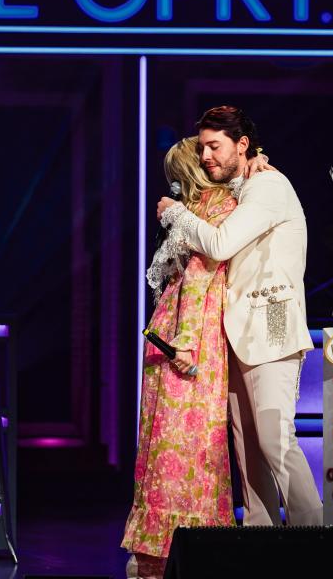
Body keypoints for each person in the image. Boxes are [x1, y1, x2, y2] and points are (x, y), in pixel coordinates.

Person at [157, 106, 323, 528]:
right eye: (203, 148)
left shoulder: (267, 184)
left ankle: (320, 543)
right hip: (236, 332)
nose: (207, 155)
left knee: (275, 439)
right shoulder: (242, 186)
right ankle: (259, 543)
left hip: (272, 325)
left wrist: (176, 214)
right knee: (248, 451)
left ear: (242, 145)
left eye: (215, 146)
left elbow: (220, 243)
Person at [123, 137, 268, 579]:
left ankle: (172, 549)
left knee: (185, 441)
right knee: (169, 439)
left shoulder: (216, 209)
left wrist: (185, 341)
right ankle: (165, 550)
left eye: (176, 176)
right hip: (179, 329)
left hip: (192, 333)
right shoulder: (206, 208)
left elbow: (202, 276)